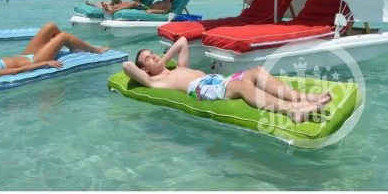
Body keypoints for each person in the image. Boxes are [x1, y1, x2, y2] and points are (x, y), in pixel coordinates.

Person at [122, 37, 332, 124]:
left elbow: (183, 41)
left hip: (217, 79)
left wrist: (163, 60)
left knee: (258, 71)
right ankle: (292, 110)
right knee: (242, 86)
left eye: (152, 53)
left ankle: (305, 97)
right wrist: (154, 68)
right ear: (144, 69)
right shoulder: (156, 82)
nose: (153, 56)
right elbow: (127, 66)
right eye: (148, 58)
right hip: (202, 88)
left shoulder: (178, 67)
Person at [0, 22, 109, 78]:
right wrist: (45, 63)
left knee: (50, 27)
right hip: (34, 60)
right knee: (63, 36)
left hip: (26, 55)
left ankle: (73, 46)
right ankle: (95, 50)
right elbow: (17, 71)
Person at [102, 0, 175, 16]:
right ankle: (111, 7)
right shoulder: (160, 1)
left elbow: (164, 11)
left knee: (134, 3)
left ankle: (114, 10)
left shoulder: (169, 4)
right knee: (127, 2)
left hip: (148, 9)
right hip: (147, 7)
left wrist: (152, 10)